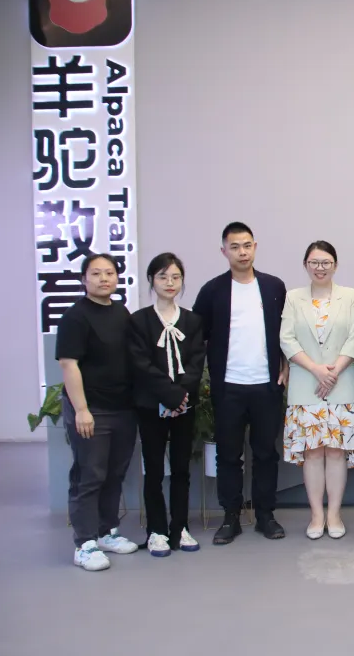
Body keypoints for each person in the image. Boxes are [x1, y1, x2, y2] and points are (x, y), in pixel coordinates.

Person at [193, 222, 288, 545]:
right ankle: (230, 517)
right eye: (235, 247)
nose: (242, 252)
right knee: (229, 456)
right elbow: (197, 337)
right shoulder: (212, 291)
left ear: (255, 247)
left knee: (266, 454)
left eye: (247, 245)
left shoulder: (274, 287)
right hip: (228, 387)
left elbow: (286, 334)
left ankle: (265, 516)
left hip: (266, 385)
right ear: (224, 251)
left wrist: (285, 366)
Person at [280, 241, 354, 540]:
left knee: (336, 451)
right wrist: (317, 370)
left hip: (341, 384)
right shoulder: (293, 297)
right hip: (306, 385)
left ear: (335, 265)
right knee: (313, 453)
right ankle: (317, 514)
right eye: (314, 262)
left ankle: (335, 514)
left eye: (326, 262)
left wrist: (333, 371)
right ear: (306, 265)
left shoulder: (351, 296)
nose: (320, 268)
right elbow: (287, 339)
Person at [57, 254, 139, 571]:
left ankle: (106, 532)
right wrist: (81, 409)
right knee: (89, 475)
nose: (104, 278)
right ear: (84, 279)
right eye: (96, 273)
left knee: (115, 474)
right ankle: (85, 543)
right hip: (92, 410)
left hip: (123, 408)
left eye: (109, 273)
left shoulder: (121, 312)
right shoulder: (75, 317)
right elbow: (69, 364)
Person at [128, 253, 207, 557]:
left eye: (175, 277)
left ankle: (180, 527)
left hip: (184, 406)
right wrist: (168, 395)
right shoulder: (138, 321)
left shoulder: (192, 320)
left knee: (181, 468)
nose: (169, 283)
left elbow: (196, 362)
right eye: (163, 277)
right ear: (152, 280)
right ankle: (156, 530)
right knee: (154, 470)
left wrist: (181, 396)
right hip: (151, 406)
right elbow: (141, 364)